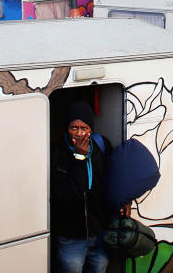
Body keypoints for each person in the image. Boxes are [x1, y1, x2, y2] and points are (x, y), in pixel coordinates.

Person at [50, 100, 111, 273]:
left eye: (84, 128)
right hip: (71, 238)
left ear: (91, 129)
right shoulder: (56, 153)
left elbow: (111, 181)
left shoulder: (101, 146)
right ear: (66, 129)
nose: (79, 134)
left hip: (100, 233)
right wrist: (79, 159)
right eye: (74, 128)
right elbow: (69, 194)